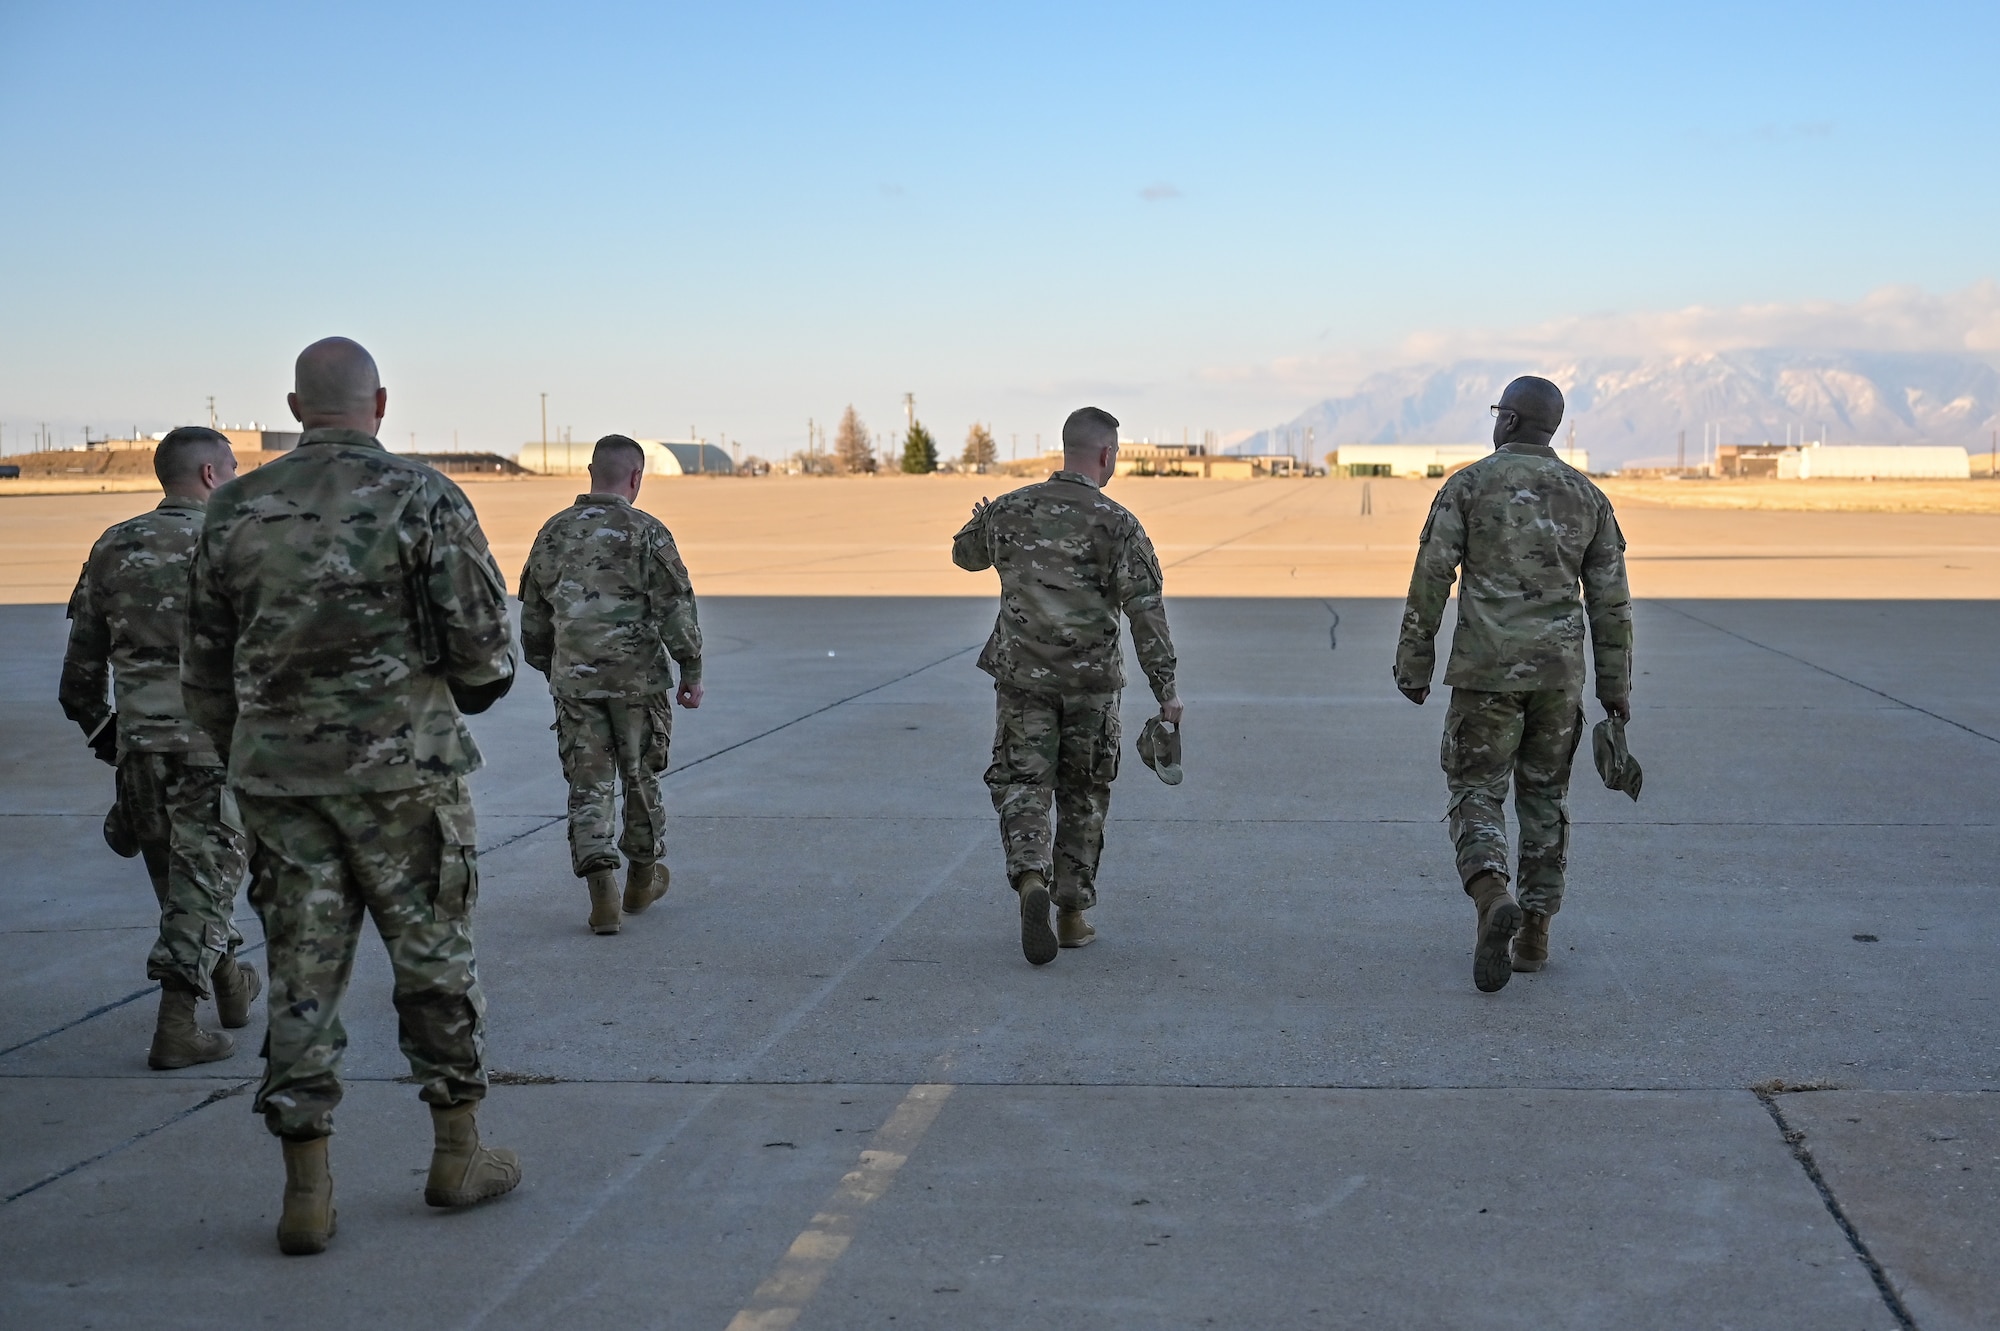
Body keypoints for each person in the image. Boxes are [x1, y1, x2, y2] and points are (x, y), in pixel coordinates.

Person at [182, 337, 521, 1255]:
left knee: (301, 972)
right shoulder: (423, 495)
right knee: (434, 958)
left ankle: (307, 1192)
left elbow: (204, 669)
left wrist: (258, 751)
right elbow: (487, 658)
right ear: (379, 403)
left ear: (296, 404)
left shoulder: (235, 505)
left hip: (280, 782)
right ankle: (457, 1153)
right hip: (404, 775)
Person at [1393, 375, 1632, 993]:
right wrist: (1615, 689)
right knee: (1544, 800)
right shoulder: (1587, 497)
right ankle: (1534, 935)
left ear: (1508, 421)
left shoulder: (1468, 486)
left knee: (1475, 789)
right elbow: (1611, 603)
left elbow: (1431, 579)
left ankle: (1492, 893)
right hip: (1560, 679)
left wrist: (1414, 663)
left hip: (1486, 673)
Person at [951, 406, 1182, 965]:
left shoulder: (1010, 509)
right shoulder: (1118, 523)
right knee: (1084, 794)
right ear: (1106, 455)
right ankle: (1072, 915)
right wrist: (1166, 689)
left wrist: (981, 519)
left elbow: (964, 556)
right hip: (1091, 687)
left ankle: (1030, 877)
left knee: (1023, 783)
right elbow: (1145, 611)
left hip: (1022, 680)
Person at [60, 426, 258, 1069]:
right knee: (201, 890)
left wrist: (113, 740)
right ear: (209, 475)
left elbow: (80, 676)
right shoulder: (236, 542)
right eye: (231, 470)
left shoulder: (113, 546)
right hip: (214, 750)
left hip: (140, 753)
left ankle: (231, 983)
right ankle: (177, 1027)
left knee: (188, 889)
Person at [518, 435, 704, 934]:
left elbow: (533, 613)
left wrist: (551, 665)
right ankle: (642, 878)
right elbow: (675, 606)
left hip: (576, 684)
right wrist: (691, 669)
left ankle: (602, 892)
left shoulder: (553, 532)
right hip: (638, 684)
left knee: (588, 784)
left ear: (590, 471)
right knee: (641, 776)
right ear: (636, 478)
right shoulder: (647, 531)